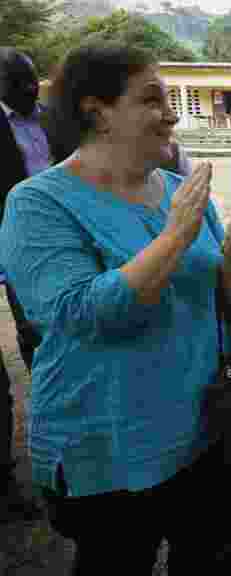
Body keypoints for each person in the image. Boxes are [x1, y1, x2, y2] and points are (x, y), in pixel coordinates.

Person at [0, 43, 231, 572]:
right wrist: (177, 234)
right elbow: (78, 314)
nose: (172, 113)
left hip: (209, 432)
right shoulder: (38, 203)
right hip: (110, 451)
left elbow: (222, 297)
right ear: (97, 112)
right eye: (152, 99)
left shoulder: (180, 191)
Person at [0, 46, 50, 523]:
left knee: (60, 324)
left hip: (60, 241)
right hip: (15, 250)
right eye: (18, 81)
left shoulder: (52, 118)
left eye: (32, 79)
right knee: (34, 330)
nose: (30, 89)